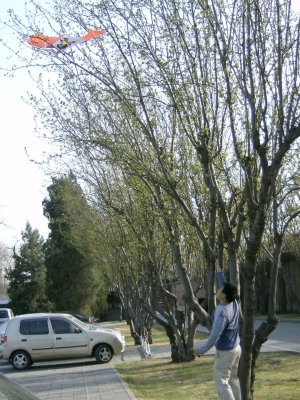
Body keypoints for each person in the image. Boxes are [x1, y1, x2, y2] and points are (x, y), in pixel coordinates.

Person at [194, 263, 241, 400]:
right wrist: (218, 269)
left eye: (220, 289)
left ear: (223, 296)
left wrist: (201, 350)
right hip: (236, 348)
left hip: (226, 352)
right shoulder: (233, 302)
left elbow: (214, 336)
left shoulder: (222, 313)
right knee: (233, 380)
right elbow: (224, 283)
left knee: (222, 383)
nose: (218, 289)